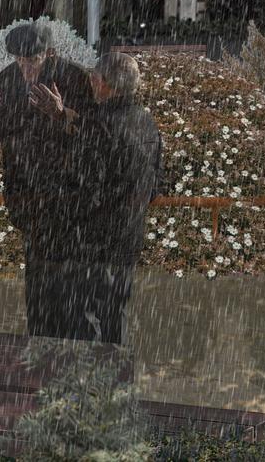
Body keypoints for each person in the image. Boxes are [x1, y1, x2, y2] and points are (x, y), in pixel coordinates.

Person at [0, 22, 94, 338]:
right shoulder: (9, 78)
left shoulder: (73, 77)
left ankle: (73, 347)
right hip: (26, 193)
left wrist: (61, 113)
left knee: (68, 281)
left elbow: (94, 138)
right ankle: (40, 344)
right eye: (19, 60)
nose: (25, 67)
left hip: (67, 196)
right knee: (38, 282)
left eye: (31, 60)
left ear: (49, 53)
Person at [59, 51, 162, 344]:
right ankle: (115, 377)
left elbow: (84, 186)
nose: (91, 81)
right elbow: (156, 181)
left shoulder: (98, 126)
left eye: (96, 77)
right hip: (129, 234)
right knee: (115, 313)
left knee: (79, 311)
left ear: (108, 84)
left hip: (94, 239)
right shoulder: (146, 122)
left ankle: (89, 377)